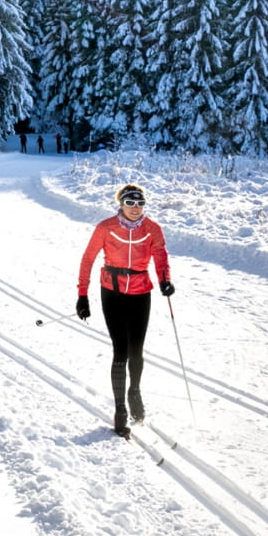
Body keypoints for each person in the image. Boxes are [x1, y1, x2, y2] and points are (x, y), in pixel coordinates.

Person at [75, 182, 173, 439]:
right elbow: (88, 258)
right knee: (120, 349)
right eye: (130, 203)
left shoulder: (153, 229)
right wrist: (82, 295)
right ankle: (120, 409)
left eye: (140, 203)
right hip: (113, 291)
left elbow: (161, 256)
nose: (135, 208)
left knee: (137, 350)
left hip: (141, 292)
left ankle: (135, 392)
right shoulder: (106, 227)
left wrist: (164, 280)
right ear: (121, 203)